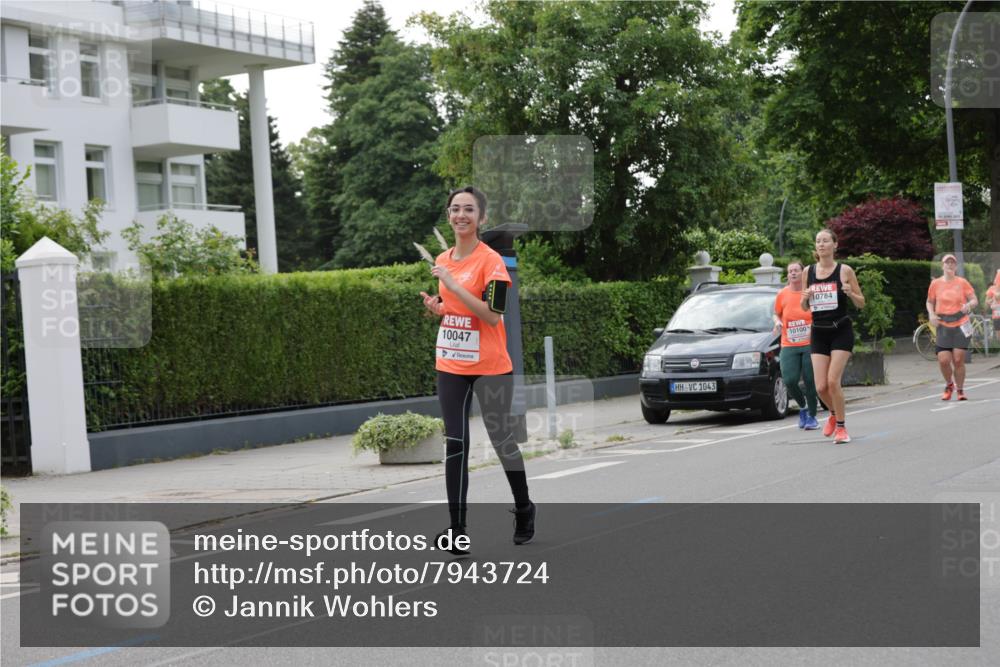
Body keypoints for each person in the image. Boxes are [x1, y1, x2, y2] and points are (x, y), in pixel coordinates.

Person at [419, 186, 535, 554]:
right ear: (448, 215)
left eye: (469, 209)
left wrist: (453, 284)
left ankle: (524, 507)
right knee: (456, 443)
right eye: (455, 209)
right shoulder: (443, 257)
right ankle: (457, 529)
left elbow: (492, 314)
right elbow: (458, 309)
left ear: (481, 218)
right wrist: (439, 307)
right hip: (451, 362)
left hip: (490, 366)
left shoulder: (492, 262)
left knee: (502, 441)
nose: (460, 215)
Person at [800, 229, 866, 444]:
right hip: (819, 330)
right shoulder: (808, 271)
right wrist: (805, 298)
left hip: (840, 330)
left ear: (835, 245)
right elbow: (804, 306)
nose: (821, 244)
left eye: (826, 241)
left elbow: (861, 302)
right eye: (818, 241)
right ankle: (833, 414)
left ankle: (841, 428)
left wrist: (850, 293)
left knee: (832, 381)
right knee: (820, 387)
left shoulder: (845, 270)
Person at [773, 260, 820, 430]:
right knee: (790, 380)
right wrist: (777, 323)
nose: (792, 273)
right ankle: (803, 407)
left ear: (803, 273)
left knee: (809, 380)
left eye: (796, 270)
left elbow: (820, 313)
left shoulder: (810, 293)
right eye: (790, 271)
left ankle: (812, 418)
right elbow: (776, 314)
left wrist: (813, 328)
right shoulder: (782, 294)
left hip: (809, 343)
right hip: (789, 344)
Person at [926, 254, 978, 401]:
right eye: (947, 263)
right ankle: (949, 384)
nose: (950, 265)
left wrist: (968, 305)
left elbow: (974, 299)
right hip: (943, 324)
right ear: (942, 266)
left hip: (961, 324)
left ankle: (960, 390)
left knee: (958, 359)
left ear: (956, 266)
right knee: (943, 360)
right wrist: (931, 314)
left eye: (952, 263)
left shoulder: (962, 282)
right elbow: (929, 302)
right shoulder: (935, 284)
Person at [986, 269, 1000, 343]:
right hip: (997, 316)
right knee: (998, 337)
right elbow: (987, 301)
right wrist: (992, 301)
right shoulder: (992, 289)